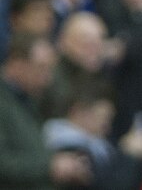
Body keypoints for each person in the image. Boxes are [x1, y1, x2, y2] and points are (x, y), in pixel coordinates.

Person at [0, 32, 92, 189]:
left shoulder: (26, 100)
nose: (47, 78)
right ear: (17, 63)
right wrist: (50, 166)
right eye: (41, 68)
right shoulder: (6, 103)